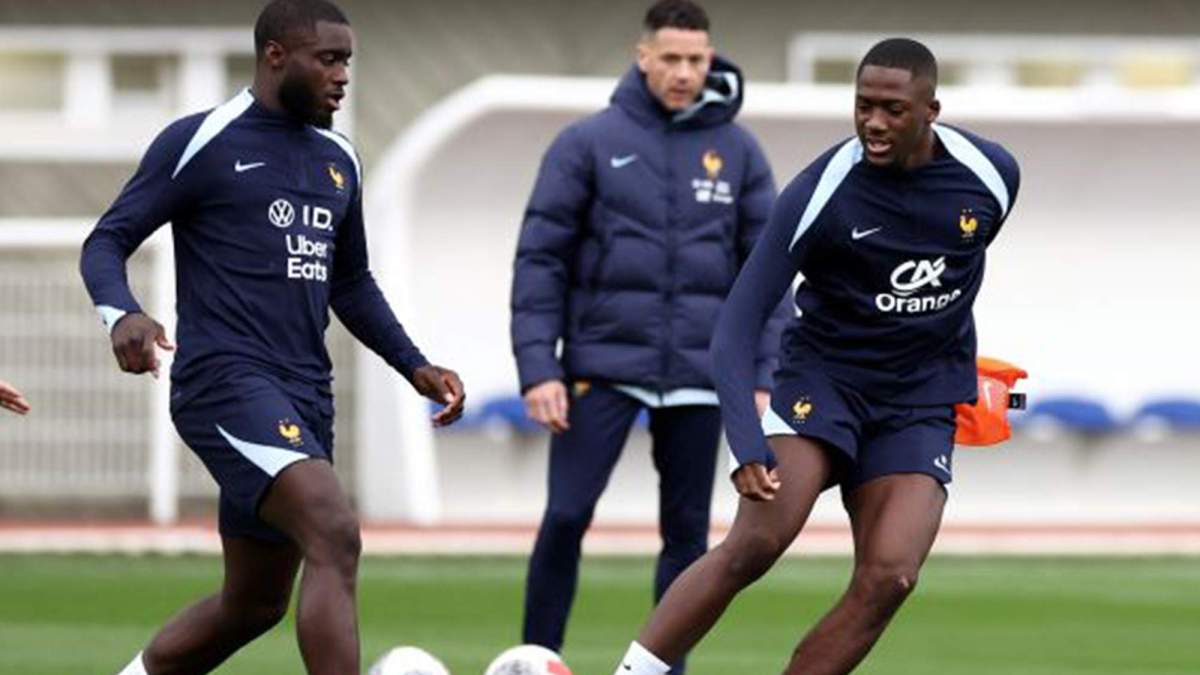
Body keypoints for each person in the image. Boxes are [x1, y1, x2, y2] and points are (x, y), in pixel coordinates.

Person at [614, 37, 1020, 675]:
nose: (874, 123)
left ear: (931, 111)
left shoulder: (994, 177)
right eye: (863, 106)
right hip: (824, 383)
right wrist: (746, 442)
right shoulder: (820, 192)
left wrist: (949, 361)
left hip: (918, 402)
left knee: (891, 577)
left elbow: (959, 276)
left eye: (892, 109)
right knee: (758, 542)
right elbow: (736, 327)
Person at [80, 2, 465, 673]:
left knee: (254, 602)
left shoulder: (340, 158)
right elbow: (106, 240)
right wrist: (124, 314)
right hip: (224, 382)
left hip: (305, 394)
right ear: (275, 56)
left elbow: (351, 284)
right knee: (335, 532)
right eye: (329, 59)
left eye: (348, 60)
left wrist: (415, 364)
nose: (343, 75)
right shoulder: (201, 141)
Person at [511, 1, 786, 670]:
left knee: (687, 535)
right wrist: (536, 367)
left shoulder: (740, 151)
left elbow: (770, 269)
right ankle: (534, 659)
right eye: (671, 58)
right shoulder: (587, 142)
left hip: (700, 375)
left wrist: (762, 374)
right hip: (599, 367)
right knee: (568, 515)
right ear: (643, 57)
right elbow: (540, 258)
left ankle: (665, 667)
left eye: (697, 60)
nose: (685, 72)